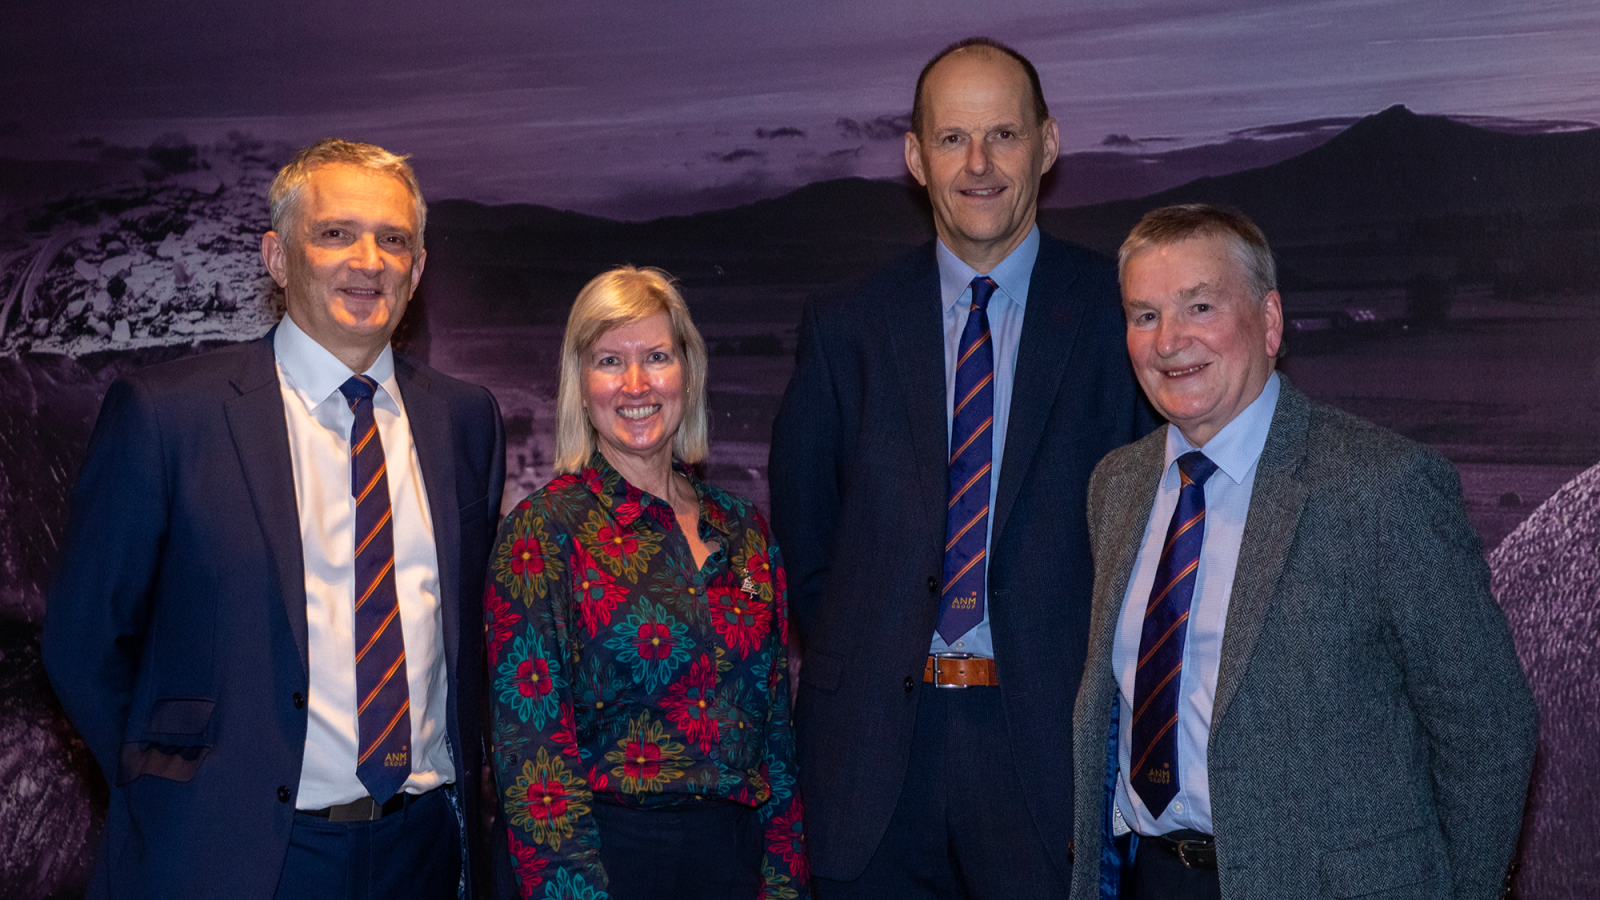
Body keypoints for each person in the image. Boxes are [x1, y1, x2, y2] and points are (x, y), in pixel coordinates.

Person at [42, 138, 506, 899]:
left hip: (423, 851)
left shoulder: (465, 419)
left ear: (418, 269)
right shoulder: (169, 415)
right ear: (278, 257)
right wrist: (171, 779)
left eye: (394, 239)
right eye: (335, 233)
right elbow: (82, 638)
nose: (369, 259)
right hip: (240, 855)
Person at [769, 37, 1155, 898]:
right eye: (952, 139)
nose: (978, 164)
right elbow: (806, 538)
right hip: (872, 758)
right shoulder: (846, 327)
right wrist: (868, 654)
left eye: (1003, 136)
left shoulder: (1120, 318)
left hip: (1045, 753)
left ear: (1047, 146)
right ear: (914, 157)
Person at [1070, 204, 1537, 899]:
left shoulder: (1381, 487)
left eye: (1199, 306)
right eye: (1144, 315)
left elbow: (1490, 727)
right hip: (1149, 879)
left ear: (1269, 321)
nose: (1169, 341)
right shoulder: (1117, 485)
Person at [486, 266, 806, 900]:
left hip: (734, 863)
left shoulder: (745, 531)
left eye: (657, 357)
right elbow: (531, 758)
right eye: (610, 360)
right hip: (605, 861)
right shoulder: (544, 532)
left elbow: (775, 741)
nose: (636, 385)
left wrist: (784, 884)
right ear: (580, 383)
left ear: (687, 371)